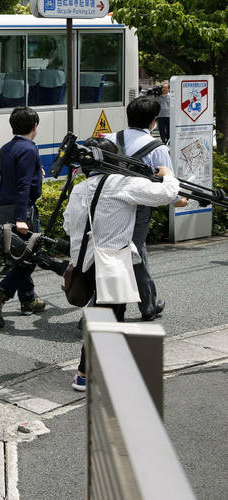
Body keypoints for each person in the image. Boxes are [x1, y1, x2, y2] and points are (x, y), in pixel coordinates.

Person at [66, 136, 181, 391]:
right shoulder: (121, 183)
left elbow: (68, 224)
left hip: (84, 262)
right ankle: (86, 374)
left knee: (109, 314)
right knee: (108, 316)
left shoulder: (79, 189)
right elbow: (168, 193)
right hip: (112, 262)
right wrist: (168, 173)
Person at [114, 96, 189, 320]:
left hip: (109, 204)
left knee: (107, 252)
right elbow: (169, 186)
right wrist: (178, 201)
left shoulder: (112, 138)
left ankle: (100, 306)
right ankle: (148, 305)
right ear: (154, 121)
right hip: (139, 206)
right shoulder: (157, 149)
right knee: (136, 251)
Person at [0, 106, 45, 327]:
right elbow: (24, 184)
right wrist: (21, 218)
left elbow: (10, 178)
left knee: (21, 256)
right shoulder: (28, 149)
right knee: (29, 256)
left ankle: (28, 299)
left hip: (5, 208)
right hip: (22, 210)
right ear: (35, 126)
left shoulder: (7, 147)